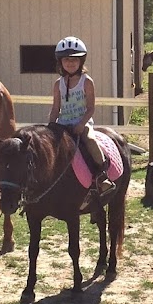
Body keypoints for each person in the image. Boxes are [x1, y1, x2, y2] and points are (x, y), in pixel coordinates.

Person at [50, 36, 116, 197]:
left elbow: (91, 108)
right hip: (63, 124)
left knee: (90, 140)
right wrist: (50, 126)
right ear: (61, 62)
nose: (70, 63)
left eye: (74, 59)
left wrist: (81, 124)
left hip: (82, 122)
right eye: (66, 60)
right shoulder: (58, 84)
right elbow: (55, 108)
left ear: (81, 61)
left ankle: (102, 175)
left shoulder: (86, 82)